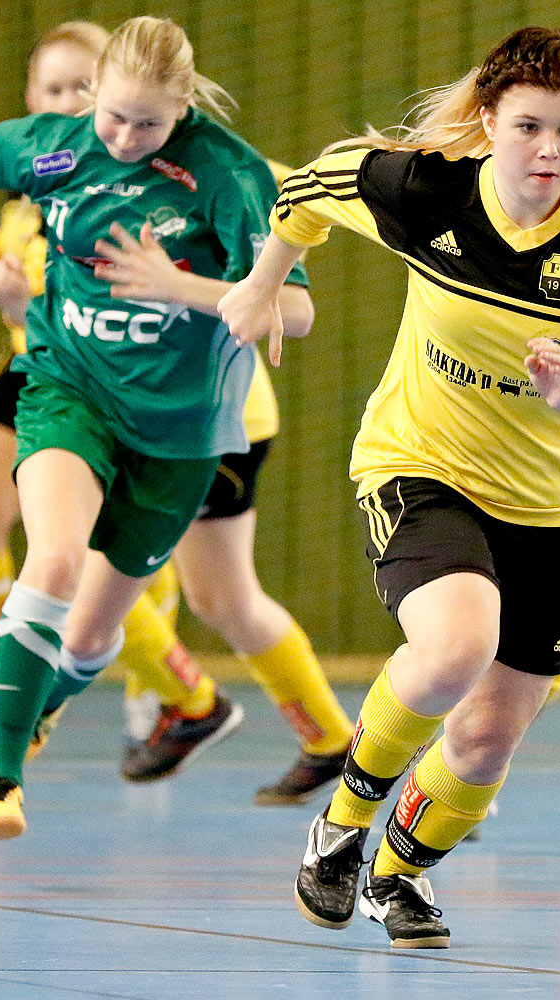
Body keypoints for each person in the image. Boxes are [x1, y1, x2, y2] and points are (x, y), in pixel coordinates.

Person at [219, 26, 560, 949]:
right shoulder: (424, 191)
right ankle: (342, 825)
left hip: (546, 507)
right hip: (418, 466)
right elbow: (308, 187)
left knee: (487, 738)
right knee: (454, 647)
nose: (549, 151)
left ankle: (400, 874)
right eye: (528, 128)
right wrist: (262, 284)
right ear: (488, 123)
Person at [0, 15, 303, 840]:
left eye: (146, 122)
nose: (122, 136)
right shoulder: (58, 148)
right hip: (67, 386)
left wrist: (175, 284)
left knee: (92, 632)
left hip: (180, 433)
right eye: (111, 114)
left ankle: (41, 702)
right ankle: (2, 783)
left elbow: (296, 306)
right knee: (56, 556)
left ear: (182, 106)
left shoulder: (229, 177)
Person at [95, 205, 356, 795]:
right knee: (221, 599)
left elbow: (295, 266)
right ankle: (333, 741)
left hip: (205, 420)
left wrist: (177, 285)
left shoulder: (209, 174)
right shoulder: (59, 188)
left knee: (85, 576)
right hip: (137, 419)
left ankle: (191, 705)